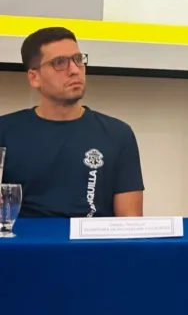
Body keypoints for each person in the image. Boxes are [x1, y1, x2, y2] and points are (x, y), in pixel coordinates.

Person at [0, 27, 145, 218]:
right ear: (34, 77)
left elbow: (130, 223)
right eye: (60, 63)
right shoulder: (5, 131)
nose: (75, 70)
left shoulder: (118, 134)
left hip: (91, 238)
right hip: (24, 237)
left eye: (78, 59)